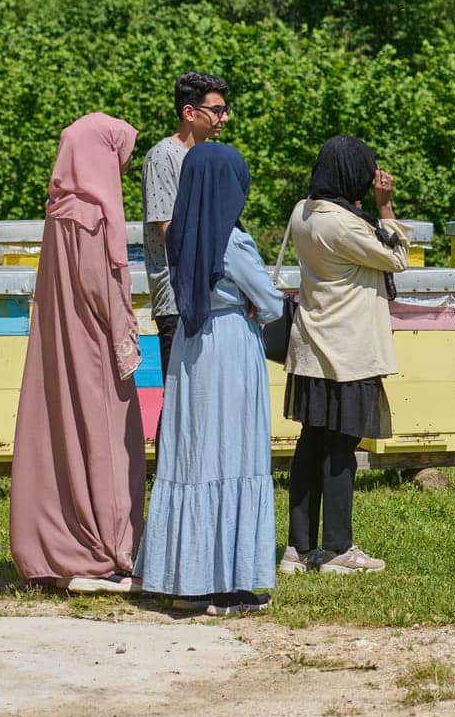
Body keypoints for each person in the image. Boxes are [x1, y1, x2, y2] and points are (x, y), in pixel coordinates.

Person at [136, 143, 283, 616]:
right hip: (231, 343)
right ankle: (231, 580)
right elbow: (273, 302)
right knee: (233, 450)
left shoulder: (181, 234)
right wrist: (259, 301)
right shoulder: (232, 239)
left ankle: (187, 580)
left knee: (194, 451)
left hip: (190, 347)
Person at [9, 114, 145, 590]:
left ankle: (52, 544)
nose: (122, 170)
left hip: (60, 343)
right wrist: (125, 333)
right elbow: (99, 288)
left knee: (56, 434)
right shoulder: (92, 215)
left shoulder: (60, 208)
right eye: (119, 157)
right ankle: (107, 547)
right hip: (93, 349)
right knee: (105, 439)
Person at [281, 136, 409, 575]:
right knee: (341, 447)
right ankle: (338, 549)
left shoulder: (303, 211)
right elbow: (396, 258)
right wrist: (386, 207)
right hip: (349, 349)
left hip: (311, 345)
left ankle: (297, 549)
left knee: (311, 443)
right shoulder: (346, 225)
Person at [143, 72, 229, 379]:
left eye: (226, 109)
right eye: (217, 110)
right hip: (177, 298)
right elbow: (171, 232)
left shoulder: (209, 157)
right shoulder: (163, 156)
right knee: (179, 394)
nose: (225, 117)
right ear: (189, 112)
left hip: (211, 292)